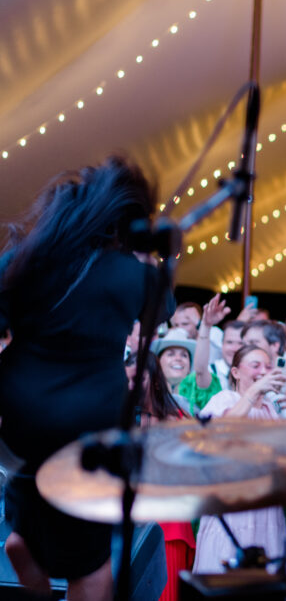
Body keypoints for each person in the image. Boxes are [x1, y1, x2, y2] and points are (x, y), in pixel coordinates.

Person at [0, 156, 168, 599]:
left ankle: (25, 550)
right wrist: (143, 255)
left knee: (25, 534)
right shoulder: (131, 275)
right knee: (90, 568)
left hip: (20, 422)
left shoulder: (24, 259)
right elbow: (162, 306)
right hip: (87, 428)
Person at [192, 345, 286, 574]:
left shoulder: (272, 410)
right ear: (235, 372)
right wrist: (253, 393)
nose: (263, 371)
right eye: (255, 365)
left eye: (268, 366)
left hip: (267, 512)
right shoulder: (225, 398)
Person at [124, 351, 194, 601]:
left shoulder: (178, 419)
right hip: (129, 523)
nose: (131, 387)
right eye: (127, 380)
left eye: (137, 380)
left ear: (154, 379)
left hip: (167, 523)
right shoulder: (123, 418)